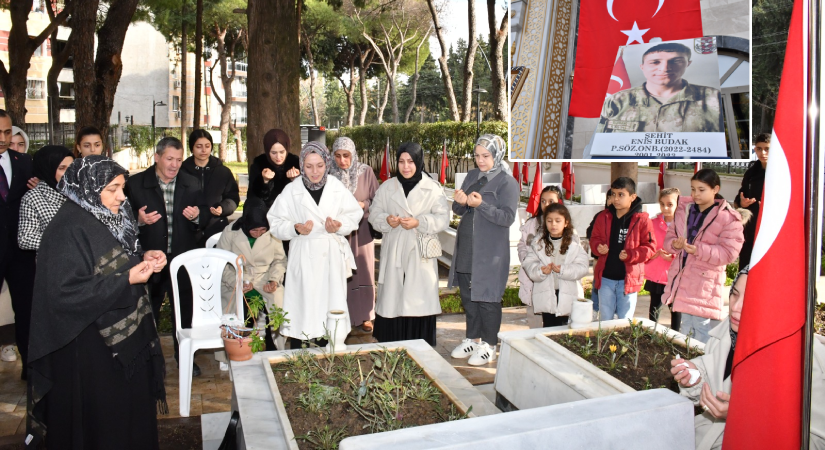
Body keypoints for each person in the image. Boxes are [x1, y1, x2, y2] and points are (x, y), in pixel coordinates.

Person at [27, 155, 168, 449]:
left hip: (121, 342)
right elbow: (64, 294)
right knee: (101, 425)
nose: (121, 196)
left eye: (122, 187)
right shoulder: (66, 228)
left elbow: (118, 261)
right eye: (113, 188)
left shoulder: (109, 216)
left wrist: (144, 258)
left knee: (127, 418)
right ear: (88, 188)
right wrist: (126, 279)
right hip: (87, 349)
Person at [670, 268, 825, 449]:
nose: (735, 307)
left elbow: (815, 440)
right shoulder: (728, 334)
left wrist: (743, 417)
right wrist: (694, 375)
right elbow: (714, 373)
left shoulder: (807, 362)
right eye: (735, 294)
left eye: (751, 300)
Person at [267, 141, 363, 349]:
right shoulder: (292, 191)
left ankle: (331, 351)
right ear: (301, 165)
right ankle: (299, 357)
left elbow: (355, 214)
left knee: (329, 307)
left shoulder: (336, 187)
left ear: (326, 163)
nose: (315, 171)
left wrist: (339, 225)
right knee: (303, 309)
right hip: (304, 254)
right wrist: (295, 228)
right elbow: (275, 222)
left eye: (319, 165)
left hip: (330, 255)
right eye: (309, 166)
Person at [126, 137, 203, 375]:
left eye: (179, 160)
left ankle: (185, 357)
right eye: (169, 159)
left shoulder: (192, 183)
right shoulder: (136, 184)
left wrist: (197, 217)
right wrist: (138, 221)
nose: (174, 165)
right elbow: (121, 224)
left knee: (185, 311)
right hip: (151, 261)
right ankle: (149, 359)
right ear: (157, 157)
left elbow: (203, 222)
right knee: (149, 311)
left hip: (182, 260)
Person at [368, 142, 449, 346]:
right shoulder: (387, 187)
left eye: (411, 162)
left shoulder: (432, 188)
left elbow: (442, 219)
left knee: (417, 298)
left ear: (419, 162)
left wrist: (419, 222)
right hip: (395, 247)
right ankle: (392, 344)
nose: (406, 167)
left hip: (419, 250)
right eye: (402, 162)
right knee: (392, 298)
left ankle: (418, 345)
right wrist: (387, 219)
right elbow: (374, 214)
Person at [448, 134, 519, 366]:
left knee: (488, 299)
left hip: (489, 252)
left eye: (486, 156)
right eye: (477, 156)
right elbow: (459, 209)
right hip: (468, 247)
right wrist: (458, 200)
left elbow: (507, 218)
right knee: (469, 298)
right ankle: (472, 339)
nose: (480, 161)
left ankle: (489, 345)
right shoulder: (471, 175)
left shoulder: (507, 182)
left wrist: (482, 205)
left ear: (497, 155)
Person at [663, 169, 744, 343]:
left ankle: (700, 368)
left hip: (705, 283)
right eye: (693, 189)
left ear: (715, 189)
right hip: (683, 278)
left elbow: (729, 253)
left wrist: (698, 250)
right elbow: (669, 238)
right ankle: (685, 366)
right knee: (685, 331)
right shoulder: (684, 209)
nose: (695, 194)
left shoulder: (728, 218)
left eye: (701, 190)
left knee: (702, 333)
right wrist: (674, 245)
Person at [596, 42, 723, 133]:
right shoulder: (617, 101)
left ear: (688, 64)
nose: (665, 68)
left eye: (676, 61)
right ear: (642, 67)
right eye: (655, 62)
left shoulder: (713, 98)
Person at [217, 197, 287, 351]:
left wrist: (274, 280)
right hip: (237, 279)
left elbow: (279, 260)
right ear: (246, 224)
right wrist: (237, 282)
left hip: (264, 277)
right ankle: (241, 344)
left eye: (262, 230)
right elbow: (221, 264)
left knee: (277, 300)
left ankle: (272, 342)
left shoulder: (272, 232)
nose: (258, 233)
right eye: (254, 230)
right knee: (242, 304)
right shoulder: (230, 232)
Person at [329, 137, 379, 333]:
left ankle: (366, 315)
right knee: (341, 272)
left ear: (353, 155)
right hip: (338, 233)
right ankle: (342, 314)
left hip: (361, 230)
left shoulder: (365, 172)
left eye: (346, 156)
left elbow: (377, 200)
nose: (342, 161)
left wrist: (363, 205)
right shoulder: (328, 173)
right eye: (338, 156)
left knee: (363, 270)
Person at [590, 177, 656, 321]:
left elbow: (650, 247)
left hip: (629, 279)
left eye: (621, 194)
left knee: (624, 320)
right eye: (613, 194)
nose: (616, 198)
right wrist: (597, 247)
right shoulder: (603, 217)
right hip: (606, 277)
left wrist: (631, 254)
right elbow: (594, 239)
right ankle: (606, 344)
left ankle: (621, 344)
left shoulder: (643, 219)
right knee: (605, 319)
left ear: (633, 197)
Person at [0, 110, 36, 374]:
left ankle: (30, 367)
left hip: (20, 252)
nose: (3, 138)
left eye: (7, 132)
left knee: (26, 310)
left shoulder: (24, 162)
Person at [522, 203, 588, 327]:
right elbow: (529, 264)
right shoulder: (538, 243)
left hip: (566, 294)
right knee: (548, 328)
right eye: (549, 221)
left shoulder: (574, 244)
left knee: (564, 330)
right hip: (546, 293)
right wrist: (541, 271)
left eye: (558, 221)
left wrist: (563, 270)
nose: (553, 224)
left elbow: (582, 267)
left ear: (566, 223)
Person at [181, 129, 240, 246]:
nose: (203, 150)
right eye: (199, 146)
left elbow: (233, 198)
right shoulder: (182, 172)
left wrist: (222, 208)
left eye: (207, 146)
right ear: (191, 148)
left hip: (216, 230)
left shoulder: (223, 172)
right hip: (187, 230)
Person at [518, 185, 563, 327]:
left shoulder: (565, 225)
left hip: (556, 283)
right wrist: (528, 261)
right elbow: (522, 245)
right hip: (534, 279)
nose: (546, 205)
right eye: (543, 201)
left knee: (555, 326)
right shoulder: (532, 224)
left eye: (551, 201)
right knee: (535, 323)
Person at [18, 145, 74, 251]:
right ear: (48, 169)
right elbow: (25, 238)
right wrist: (64, 241)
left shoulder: (81, 193)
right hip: (53, 262)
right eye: (62, 168)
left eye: (72, 167)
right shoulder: (33, 198)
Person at [645, 187, 680, 330]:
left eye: (670, 204)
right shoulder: (652, 223)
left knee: (676, 310)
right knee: (654, 307)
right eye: (662, 204)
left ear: (678, 204)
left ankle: (676, 336)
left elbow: (688, 249)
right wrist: (649, 254)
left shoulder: (683, 226)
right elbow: (645, 244)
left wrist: (672, 256)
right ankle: (651, 336)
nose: (665, 208)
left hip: (675, 274)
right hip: (656, 273)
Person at [734, 133, 768, 268]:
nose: (762, 153)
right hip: (750, 228)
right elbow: (739, 196)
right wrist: (742, 203)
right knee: (746, 267)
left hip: (769, 229)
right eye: (759, 149)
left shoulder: (781, 172)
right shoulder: (751, 172)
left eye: (767, 149)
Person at [248, 128, 300, 210]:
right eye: (274, 153)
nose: (278, 157)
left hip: (290, 212)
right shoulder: (259, 165)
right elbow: (253, 199)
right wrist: (265, 182)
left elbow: (303, 197)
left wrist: (295, 180)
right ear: (267, 151)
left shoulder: (296, 164)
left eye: (282, 152)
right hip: (265, 213)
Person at [585, 190, 614, 318]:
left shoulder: (626, 216)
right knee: (597, 283)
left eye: (618, 196)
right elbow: (590, 233)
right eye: (610, 197)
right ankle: (595, 308)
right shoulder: (601, 216)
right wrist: (599, 246)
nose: (613, 200)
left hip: (615, 260)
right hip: (600, 258)